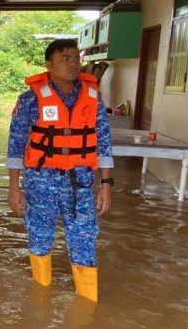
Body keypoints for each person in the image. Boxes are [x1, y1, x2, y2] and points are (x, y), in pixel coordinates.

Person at [6, 39, 114, 302]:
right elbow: (15, 146)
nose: (73, 64)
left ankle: (87, 303)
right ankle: (40, 300)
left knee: (84, 238)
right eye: (65, 59)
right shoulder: (30, 100)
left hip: (80, 183)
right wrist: (14, 188)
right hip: (40, 182)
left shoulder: (93, 98)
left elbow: (103, 143)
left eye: (76, 58)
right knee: (39, 237)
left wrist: (106, 184)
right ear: (49, 64)